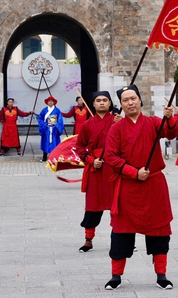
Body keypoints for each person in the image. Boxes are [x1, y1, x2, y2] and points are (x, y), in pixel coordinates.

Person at [102, 84, 178, 290]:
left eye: (133, 98)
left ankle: (161, 275)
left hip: (154, 186)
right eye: (126, 100)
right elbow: (111, 157)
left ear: (140, 100)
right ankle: (116, 276)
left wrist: (170, 117)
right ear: (121, 105)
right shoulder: (116, 128)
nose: (130, 102)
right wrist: (133, 172)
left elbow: (170, 133)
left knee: (160, 232)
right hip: (128, 187)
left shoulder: (154, 122)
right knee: (121, 233)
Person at [75, 91, 120, 253]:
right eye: (98, 100)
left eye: (105, 100)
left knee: (117, 205)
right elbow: (79, 147)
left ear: (110, 104)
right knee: (93, 205)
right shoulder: (87, 125)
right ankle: (88, 239)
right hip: (96, 168)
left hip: (114, 168)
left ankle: (122, 239)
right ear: (93, 104)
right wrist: (90, 160)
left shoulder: (118, 121)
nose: (101, 103)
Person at [38, 95, 64, 162]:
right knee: (45, 143)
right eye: (49, 101)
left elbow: (60, 120)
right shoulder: (44, 110)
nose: (50, 102)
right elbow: (40, 118)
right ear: (47, 102)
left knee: (54, 143)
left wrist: (57, 124)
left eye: (51, 101)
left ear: (54, 102)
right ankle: (44, 158)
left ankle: (54, 158)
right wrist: (44, 124)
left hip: (54, 129)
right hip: (46, 129)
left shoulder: (57, 110)